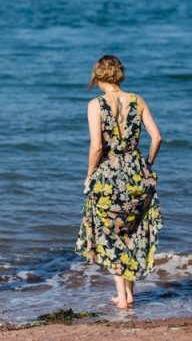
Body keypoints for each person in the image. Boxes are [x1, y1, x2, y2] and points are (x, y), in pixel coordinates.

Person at [75, 55, 163, 309]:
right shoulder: (138, 100)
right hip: (137, 175)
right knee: (133, 232)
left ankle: (122, 298)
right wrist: (147, 165)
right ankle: (131, 293)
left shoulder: (96, 104)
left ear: (99, 77)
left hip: (109, 177)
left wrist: (90, 175)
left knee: (110, 235)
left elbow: (96, 147)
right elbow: (156, 137)